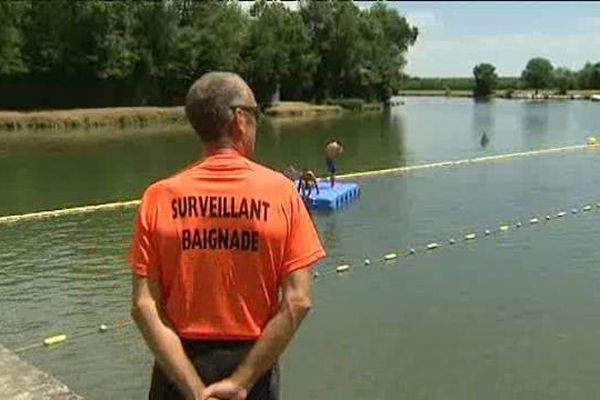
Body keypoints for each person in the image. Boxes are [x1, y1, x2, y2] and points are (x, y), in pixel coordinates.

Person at [129, 71, 326, 400]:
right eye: (255, 113)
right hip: (253, 365)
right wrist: (241, 381)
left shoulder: (158, 197)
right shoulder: (282, 194)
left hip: (176, 368)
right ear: (239, 120)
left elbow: (143, 305)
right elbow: (298, 300)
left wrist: (193, 390)